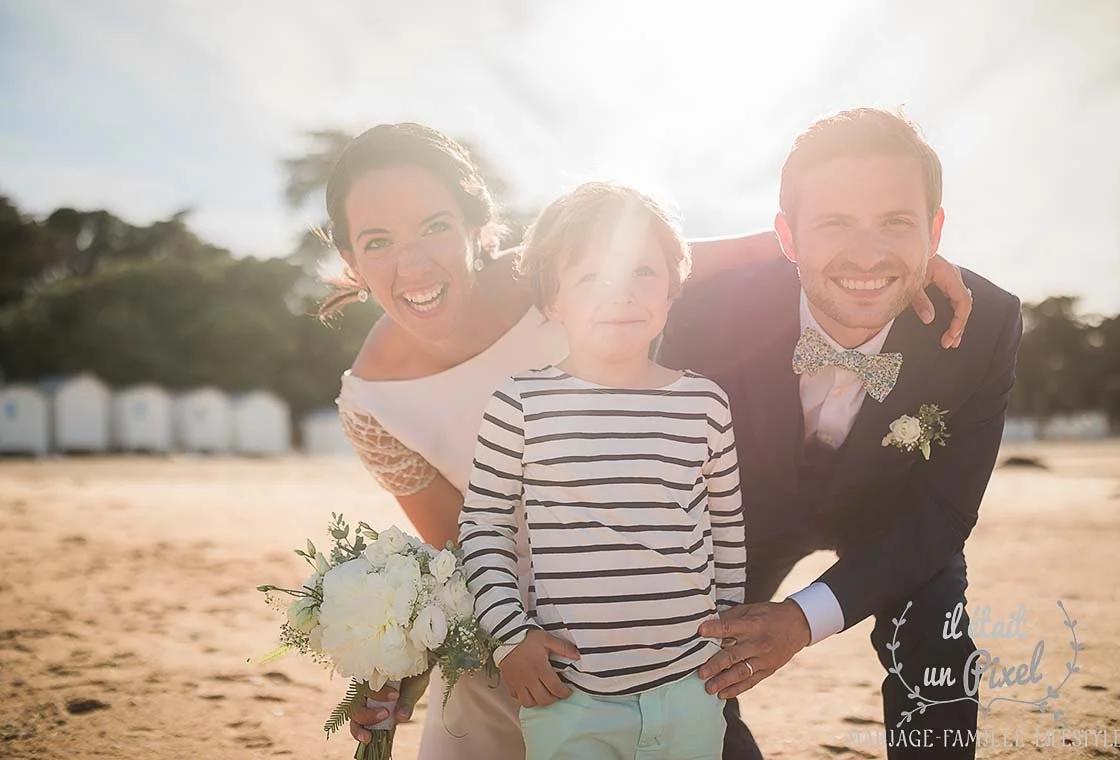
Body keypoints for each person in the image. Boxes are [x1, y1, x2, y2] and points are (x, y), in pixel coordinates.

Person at [320, 122, 974, 758]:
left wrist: (899, 263)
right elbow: (461, 550)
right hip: (532, 641)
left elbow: (739, 253)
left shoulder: (561, 268)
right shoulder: (370, 405)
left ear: (477, 226)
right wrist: (405, 657)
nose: (412, 264)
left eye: (435, 226)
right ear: (347, 258)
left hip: (662, 603)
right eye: (377, 242)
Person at [657, 108, 1022, 759]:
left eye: (896, 222)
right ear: (787, 238)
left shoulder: (986, 325)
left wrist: (803, 619)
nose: (867, 253)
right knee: (682, 661)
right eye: (835, 224)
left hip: (893, 509)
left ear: (935, 231)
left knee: (936, 634)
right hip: (739, 513)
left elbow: (943, 513)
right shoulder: (710, 309)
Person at [458, 183, 746, 760]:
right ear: (552, 298)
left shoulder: (705, 404)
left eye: (643, 271)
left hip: (692, 686)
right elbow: (483, 527)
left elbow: (725, 531)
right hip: (570, 695)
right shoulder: (521, 403)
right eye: (591, 277)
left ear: (671, 287)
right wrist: (510, 637)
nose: (620, 295)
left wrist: (732, 636)